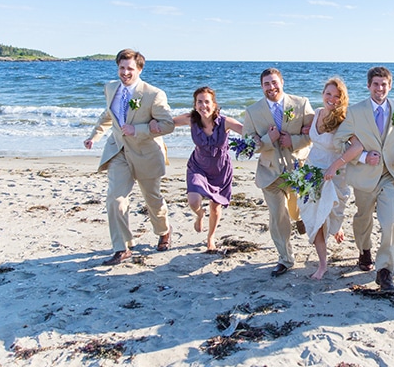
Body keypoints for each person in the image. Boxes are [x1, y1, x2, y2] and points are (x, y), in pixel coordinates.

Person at [83, 49, 175, 266]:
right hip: (118, 151)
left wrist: (140, 129)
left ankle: (164, 230)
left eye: (130, 69)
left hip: (146, 153)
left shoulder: (153, 94)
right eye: (121, 68)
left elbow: (168, 124)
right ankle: (122, 246)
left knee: (153, 200)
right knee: (115, 200)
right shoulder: (111, 88)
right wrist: (94, 136)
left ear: (139, 69)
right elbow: (109, 115)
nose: (125, 73)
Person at [334, 66, 394, 292]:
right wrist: (362, 156)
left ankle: (384, 271)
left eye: (384, 84)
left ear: (389, 86)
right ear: (368, 86)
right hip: (363, 177)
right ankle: (364, 250)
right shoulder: (355, 112)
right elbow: (339, 142)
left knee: (392, 222)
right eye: (375, 84)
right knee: (363, 218)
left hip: (388, 176)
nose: (380, 88)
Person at [149, 86, 243, 253]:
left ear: (214, 105)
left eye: (207, 102)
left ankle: (210, 237)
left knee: (215, 207)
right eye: (199, 102)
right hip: (198, 166)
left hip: (220, 169)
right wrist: (153, 122)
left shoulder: (225, 122)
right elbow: (167, 124)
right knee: (193, 201)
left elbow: (248, 131)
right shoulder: (191, 119)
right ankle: (200, 214)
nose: (203, 106)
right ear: (195, 104)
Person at [242, 68, 314, 277]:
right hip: (269, 172)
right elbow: (248, 145)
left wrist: (295, 140)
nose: (271, 87)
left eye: (274, 82)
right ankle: (285, 258)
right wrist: (267, 140)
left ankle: (299, 217)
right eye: (266, 84)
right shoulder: (253, 112)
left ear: (282, 82)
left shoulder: (300, 104)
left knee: (295, 207)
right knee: (277, 215)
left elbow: (314, 134)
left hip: (297, 169)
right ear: (261, 86)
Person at [294, 78, 364, 279]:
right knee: (315, 218)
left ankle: (336, 227)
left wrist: (335, 165)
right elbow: (310, 135)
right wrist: (304, 131)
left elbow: (357, 147)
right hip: (311, 171)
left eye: (337, 96)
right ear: (322, 93)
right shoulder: (316, 114)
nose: (332, 99)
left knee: (331, 214)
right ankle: (322, 265)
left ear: (342, 99)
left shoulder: (344, 120)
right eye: (328, 94)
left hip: (334, 175)